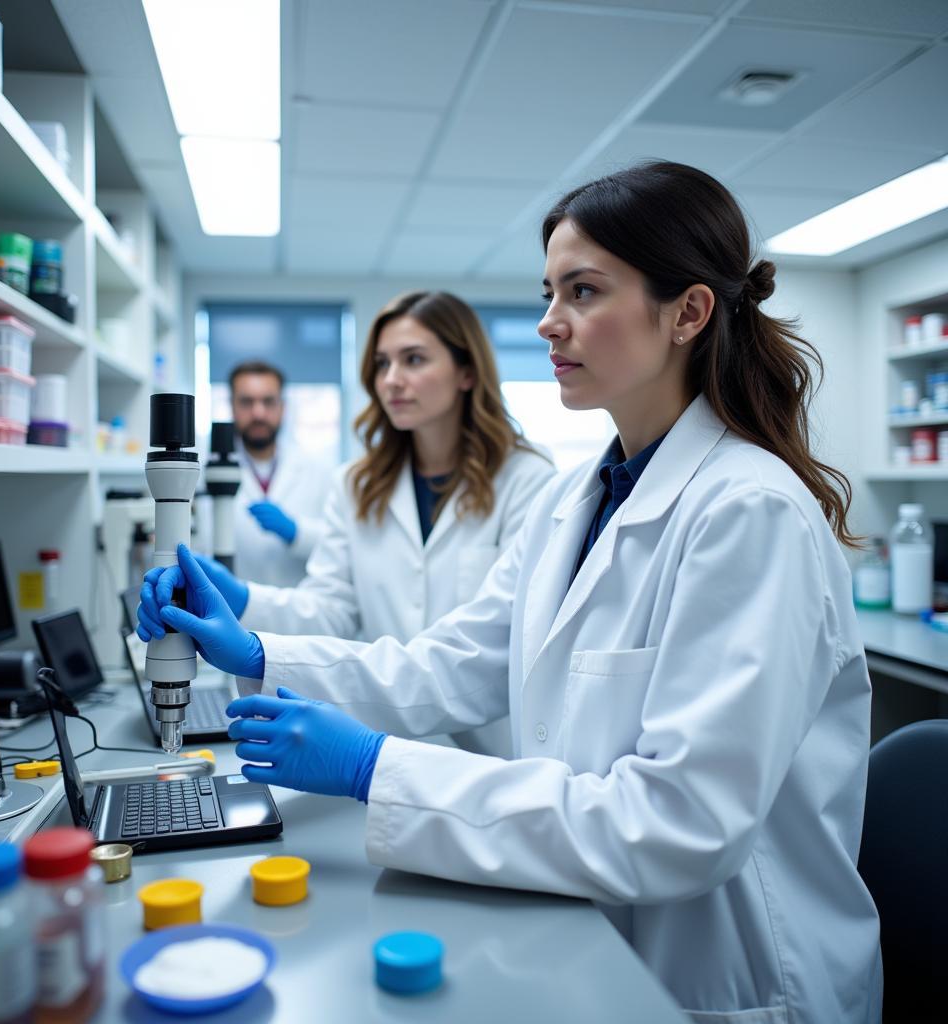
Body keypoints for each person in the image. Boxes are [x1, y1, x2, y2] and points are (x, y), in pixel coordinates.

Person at [139, 163, 882, 1022]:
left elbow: (681, 822)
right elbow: (453, 665)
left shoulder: (752, 514)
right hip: (584, 922)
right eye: (548, 290)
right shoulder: (580, 497)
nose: (548, 321)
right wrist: (263, 649)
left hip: (729, 976)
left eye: (584, 291)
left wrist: (377, 767)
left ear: (687, 312)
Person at [145, 292, 555, 756]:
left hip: (489, 755)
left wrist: (261, 652)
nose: (392, 380)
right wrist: (241, 600)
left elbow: (492, 649)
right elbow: (331, 610)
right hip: (385, 742)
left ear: (467, 371)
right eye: (382, 364)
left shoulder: (528, 481)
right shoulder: (358, 485)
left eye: (413, 359)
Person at [228, 360, 330, 587]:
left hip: (298, 611)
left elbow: (338, 546)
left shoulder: (317, 470)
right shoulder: (204, 472)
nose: (258, 412)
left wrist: (297, 533)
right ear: (232, 407)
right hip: (230, 613)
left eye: (268, 401)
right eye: (246, 402)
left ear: (282, 407)